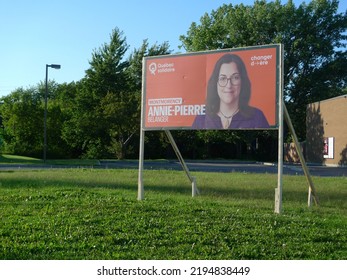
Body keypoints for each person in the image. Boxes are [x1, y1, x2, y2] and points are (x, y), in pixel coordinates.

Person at [192, 53, 269, 129]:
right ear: (215, 82)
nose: (229, 85)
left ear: (242, 81)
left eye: (235, 78)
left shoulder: (256, 117)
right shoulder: (202, 118)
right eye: (223, 78)